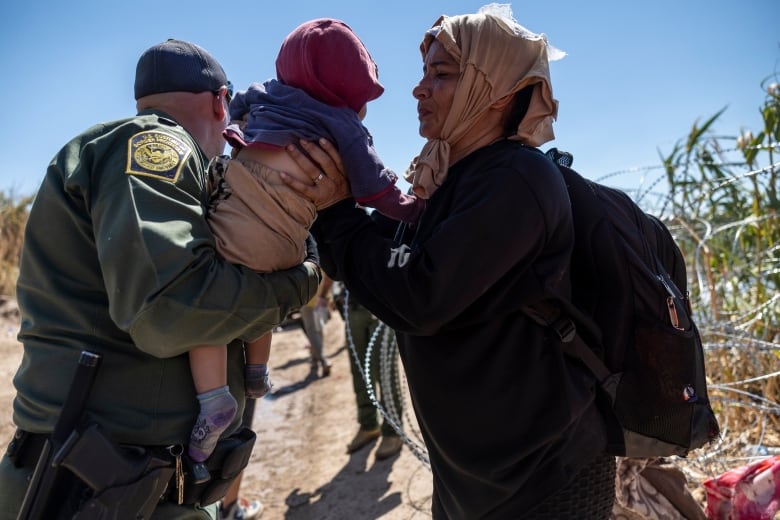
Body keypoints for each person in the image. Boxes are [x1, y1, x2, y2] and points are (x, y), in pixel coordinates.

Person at [281, 4, 616, 518]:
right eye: (423, 73)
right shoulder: (452, 181)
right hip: (477, 477)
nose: (419, 89)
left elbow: (421, 294)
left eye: (440, 74)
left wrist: (336, 213)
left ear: (499, 90)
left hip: (543, 478)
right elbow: (388, 251)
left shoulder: (517, 181)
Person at [0, 38, 320, 519]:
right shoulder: (156, 145)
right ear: (220, 101)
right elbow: (173, 309)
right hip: (99, 488)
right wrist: (298, 283)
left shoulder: (163, 159)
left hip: (131, 485)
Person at [185, 17, 421, 463]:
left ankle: (215, 395)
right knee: (267, 301)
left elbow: (236, 111)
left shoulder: (263, 96)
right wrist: (417, 209)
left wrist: (241, 136)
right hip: (290, 245)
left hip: (236, 230)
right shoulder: (343, 126)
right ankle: (258, 370)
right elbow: (378, 187)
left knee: (208, 313)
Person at [336, 280, 404, 460]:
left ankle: (393, 432)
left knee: (384, 371)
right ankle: (369, 425)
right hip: (353, 304)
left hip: (382, 304)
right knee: (360, 372)